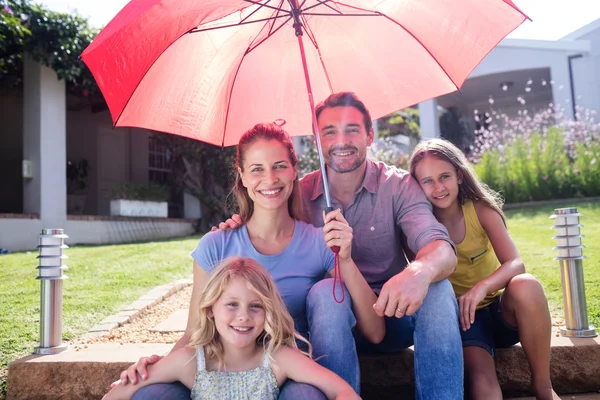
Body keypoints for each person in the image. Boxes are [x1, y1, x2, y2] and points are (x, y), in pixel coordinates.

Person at [219, 92, 464, 399]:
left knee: (437, 288)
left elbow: (440, 248)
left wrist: (418, 271)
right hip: (327, 325)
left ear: (370, 135)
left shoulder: (397, 186)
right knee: (326, 292)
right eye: (330, 132)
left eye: (351, 130)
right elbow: (261, 224)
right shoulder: (298, 193)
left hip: (391, 315)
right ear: (317, 140)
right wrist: (235, 225)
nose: (341, 140)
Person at [117, 122, 384, 399]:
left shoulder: (321, 242)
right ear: (242, 177)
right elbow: (194, 333)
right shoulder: (217, 245)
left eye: (279, 166)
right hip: (223, 373)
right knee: (152, 395)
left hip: (290, 373)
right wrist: (154, 367)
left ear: (294, 171)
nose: (270, 179)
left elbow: (375, 333)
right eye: (257, 169)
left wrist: (347, 260)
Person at [409, 138, 559, 400]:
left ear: (459, 175)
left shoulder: (480, 210)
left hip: (503, 311)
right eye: (428, 181)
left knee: (527, 283)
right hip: (466, 321)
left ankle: (543, 387)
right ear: (416, 185)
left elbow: (515, 263)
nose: (438, 187)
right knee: (482, 379)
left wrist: (482, 288)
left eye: (444, 176)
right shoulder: (418, 226)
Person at [104, 257, 361, 400]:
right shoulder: (191, 361)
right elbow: (117, 395)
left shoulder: (278, 359)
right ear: (209, 310)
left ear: (268, 312)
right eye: (232, 304)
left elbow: (341, 390)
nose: (243, 317)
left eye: (256, 306)